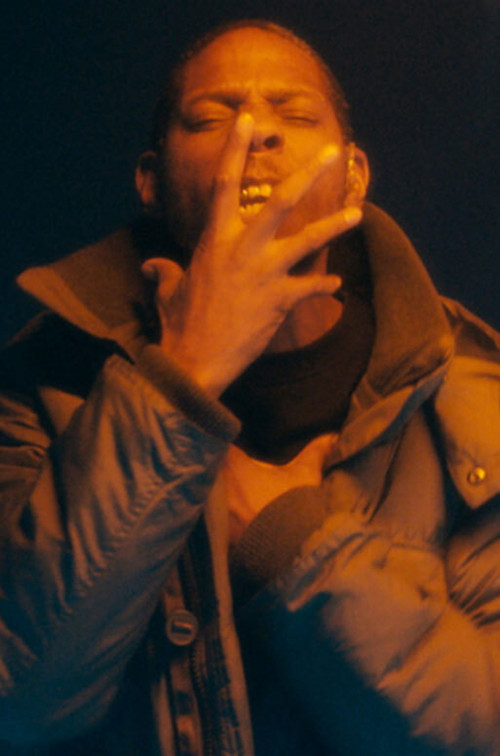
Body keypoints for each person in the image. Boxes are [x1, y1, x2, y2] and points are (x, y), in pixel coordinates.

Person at [1, 18, 499, 756]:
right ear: (150, 181)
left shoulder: (472, 395)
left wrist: (288, 540)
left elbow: (480, 725)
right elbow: (20, 700)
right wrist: (181, 378)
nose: (254, 132)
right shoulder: (46, 382)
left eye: (293, 115)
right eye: (211, 117)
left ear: (354, 176)